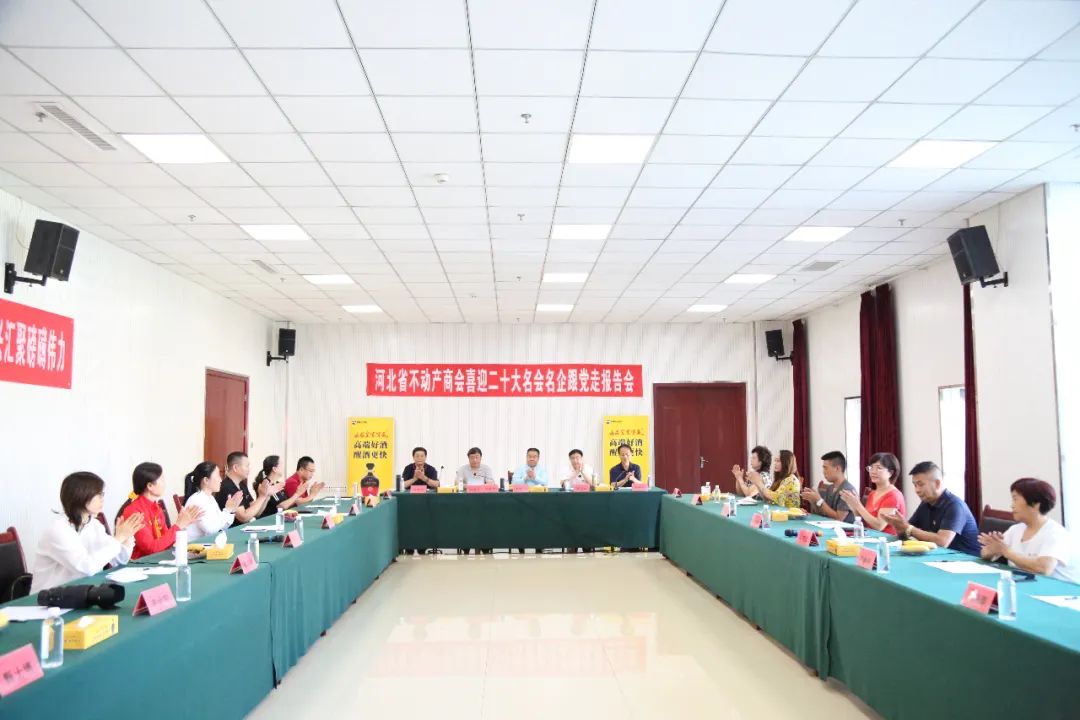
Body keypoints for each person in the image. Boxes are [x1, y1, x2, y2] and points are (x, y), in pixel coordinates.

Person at [31, 472, 143, 593]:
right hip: (48, 598)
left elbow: (119, 560)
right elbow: (86, 567)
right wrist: (119, 538)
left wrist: (126, 537)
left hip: (82, 592)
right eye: (98, 494)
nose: (102, 499)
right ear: (82, 496)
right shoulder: (58, 530)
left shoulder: (94, 525)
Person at [979, 478, 1078, 583]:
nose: (1012, 505)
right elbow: (985, 554)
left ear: (1035, 504)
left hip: (1061, 590)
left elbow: (1043, 569)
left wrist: (1005, 551)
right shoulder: (1015, 530)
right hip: (1029, 585)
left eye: (1015, 499)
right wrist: (991, 548)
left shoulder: (1056, 533)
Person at [882, 461, 980, 555]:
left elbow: (942, 542)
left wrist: (908, 528)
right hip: (939, 557)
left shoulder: (955, 505)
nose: (917, 490)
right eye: (915, 485)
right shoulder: (925, 503)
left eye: (920, 484)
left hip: (965, 560)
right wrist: (900, 527)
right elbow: (908, 531)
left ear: (937, 484)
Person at [121, 462, 202, 559]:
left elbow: (165, 542)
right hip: (142, 563)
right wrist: (178, 526)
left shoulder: (156, 507)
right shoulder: (135, 511)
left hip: (158, 559)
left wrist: (183, 524)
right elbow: (151, 548)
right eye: (162, 479)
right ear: (150, 486)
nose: (165, 484)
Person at [840, 452, 907, 535]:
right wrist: (853, 506)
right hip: (871, 537)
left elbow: (879, 526)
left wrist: (858, 505)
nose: (873, 472)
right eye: (871, 467)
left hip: (888, 540)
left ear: (891, 473)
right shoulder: (872, 493)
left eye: (879, 468)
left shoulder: (893, 495)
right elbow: (863, 521)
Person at [216, 451, 281, 525]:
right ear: (235, 468)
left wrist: (266, 496)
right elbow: (243, 517)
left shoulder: (242, 484)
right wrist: (262, 497)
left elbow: (256, 513)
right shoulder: (227, 487)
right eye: (247, 466)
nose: (249, 469)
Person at [184, 461, 244, 538]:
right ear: (206, 480)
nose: (221, 480)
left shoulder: (210, 498)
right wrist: (227, 510)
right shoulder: (197, 500)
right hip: (194, 545)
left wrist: (232, 511)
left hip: (205, 542)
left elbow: (222, 527)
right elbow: (211, 530)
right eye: (218, 475)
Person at [255, 455, 322, 520]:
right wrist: (299, 494)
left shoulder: (278, 484)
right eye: (281, 465)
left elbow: (289, 503)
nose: (283, 467)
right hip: (269, 521)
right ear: (274, 469)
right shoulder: (265, 485)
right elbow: (281, 506)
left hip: (281, 519)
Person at [801, 451, 855, 522]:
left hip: (843, 529)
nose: (823, 472)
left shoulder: (847, 490)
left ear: (837, 468)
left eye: (826, 468)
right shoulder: (830, 488)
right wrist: (813, 500)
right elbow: (823, 513)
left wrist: (819, 500)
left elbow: (839, 519)